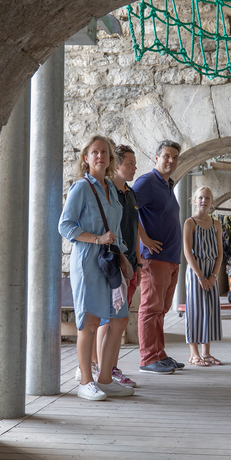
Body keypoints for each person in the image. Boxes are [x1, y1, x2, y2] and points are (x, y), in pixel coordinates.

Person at [58, 135, 135, 400]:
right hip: (88, 261)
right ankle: (85, 382)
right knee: (89, 322)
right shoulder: (81, 188)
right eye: (95, 152)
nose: (100, 156)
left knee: (119, 318)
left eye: (104, 152)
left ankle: (105, 379)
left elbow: (115, 228)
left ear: (111, 158)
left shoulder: (112, 189)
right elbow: (64, 225)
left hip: (110, 260)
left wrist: (123, 257)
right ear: (86, 158)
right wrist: (97, 239)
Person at [92, 144, 143, 388]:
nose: (134, 168)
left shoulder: (130, 194)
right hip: (113, 262)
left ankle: (110, 369)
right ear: (118, 164)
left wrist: (138, 263)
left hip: (129, 263)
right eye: (130, 163)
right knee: (109, 319)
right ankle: (105, 370)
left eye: (134, 163)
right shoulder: (108, 191)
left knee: (119, 319)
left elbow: (134, 230)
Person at [133, 140, 185, 374]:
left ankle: (159, 354)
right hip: (155, 257)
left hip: (170, 257)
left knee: (161, 309)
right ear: (156, 158)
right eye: (166, 156)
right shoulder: (147, 182)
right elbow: (128, 209)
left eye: (175, 157)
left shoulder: (168, 184)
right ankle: (147, 359)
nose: (171, 160)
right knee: (151, 308)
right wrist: (143, 238)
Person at [182, 187, 224, 366]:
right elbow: (187, 252)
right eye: (200, 198)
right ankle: (194, 354)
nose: (203, 201)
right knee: (195, 310)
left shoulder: (217, 224)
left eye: (207, 198)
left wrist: (214, 275)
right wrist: (200, 276)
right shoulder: (190, 223)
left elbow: (220, 253)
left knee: (210, 310)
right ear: (194, 200)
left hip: (211, 271)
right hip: (196, 271)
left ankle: (206, 353)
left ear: (212, 202)